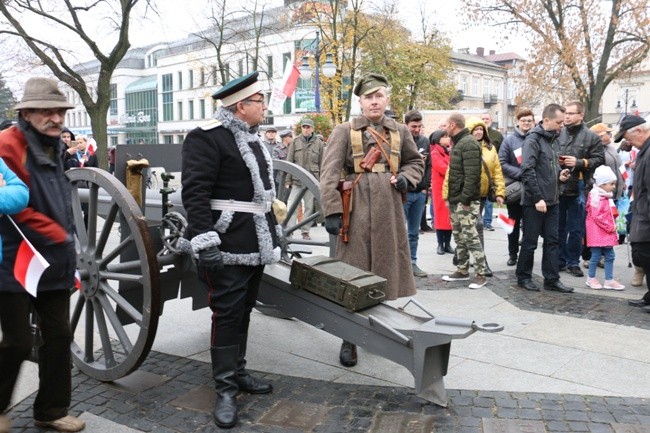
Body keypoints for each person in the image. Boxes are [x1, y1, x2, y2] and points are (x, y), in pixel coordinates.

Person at [181, 71, 280, 429]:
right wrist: (204, 238)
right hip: (226, 240)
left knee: (244, 310)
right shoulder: (206, 138)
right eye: (259, 101)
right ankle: (224, 389)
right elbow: (194, 192)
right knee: (226, 314)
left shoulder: (253, 139)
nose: (264, 106)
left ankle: (237, 372)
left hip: (256, 239)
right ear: (241, 106)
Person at [319, 73, 423, 368]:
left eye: (379, 96)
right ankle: (348, 339)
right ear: (361, 102)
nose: (374, 101)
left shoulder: (400, 131)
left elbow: (415, 162)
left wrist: (406, 178)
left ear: (387, 99)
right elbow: (329, 172)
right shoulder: (344, 130)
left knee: (384, 272)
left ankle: (375, 330)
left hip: (389, 208)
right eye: (368, 97)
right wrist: (332, 211)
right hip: (356, 210)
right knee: (353, 274)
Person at [0, 77, 85, 432]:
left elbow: (59, 200)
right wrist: (58, 234)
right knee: (18, 339)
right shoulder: (8, 144)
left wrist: (66, 247)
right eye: (48, 112)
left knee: (59, 335)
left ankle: (50, 410)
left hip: (53, 260)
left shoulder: (52, 145)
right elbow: (15, 205)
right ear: (28, 113)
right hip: (12, 259)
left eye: (60, 112)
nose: (56, 118)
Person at [516, 103, 573, 293]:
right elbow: (527, 171)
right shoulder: (533, 140)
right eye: (558, 122)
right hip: (535, 202)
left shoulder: (554, 140)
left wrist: (560, 177)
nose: (561, 126)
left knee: (553, 241)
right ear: (546, 120)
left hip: (553, 199)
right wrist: (538, 198)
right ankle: (523, 277)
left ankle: (551, 278)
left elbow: (548, 169)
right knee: (530, 242)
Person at [441, 113, 489, 289]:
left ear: (453, 125)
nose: (444, 129)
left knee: (470, 236)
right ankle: (462, 270)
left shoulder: (468, 143)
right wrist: (451, 198)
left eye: (446, 125)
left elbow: (472, 176)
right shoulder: (460, 142)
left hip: (466, 200)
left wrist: (466, 200)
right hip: (457, 198)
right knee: (459, 236)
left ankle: (480, 274)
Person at [557, 101, 604, 278]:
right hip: (559, 185)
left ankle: (572, 262)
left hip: (579, 186)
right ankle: (559, 260)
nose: (567, 116)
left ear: (581, 115)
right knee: (558, 227)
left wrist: (579, 162)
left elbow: (599, 159)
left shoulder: (591, 137)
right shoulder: (558, 133)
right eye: (565, 113)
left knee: (576, 228)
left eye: (570, 113)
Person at [614, 115, 650, 311]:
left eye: (626, 136)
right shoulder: (644, 150)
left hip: (647, 217)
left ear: (638, 130)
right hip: (642, 212)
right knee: (643, 255)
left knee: (644, 255)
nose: (626, 141)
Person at [466, 117, 505, 277]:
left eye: (481, 129)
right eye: (475, 129)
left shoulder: (490, 148)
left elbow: (497, 171)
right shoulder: (464, 147)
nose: (479, 132)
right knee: (478, 225)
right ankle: (481, 262)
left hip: (482, 194)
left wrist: (500, 192)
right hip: (467, 195)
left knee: (472, 227)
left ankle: (466, 256)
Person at [499, 109, 535, 267]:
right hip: (515, 189)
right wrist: (521, 173)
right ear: (518, 122)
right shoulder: (509, 141)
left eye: (529, 120)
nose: (526, 123)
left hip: (533, 189)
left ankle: (526, 256)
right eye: (524, 120)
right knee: (512, 223)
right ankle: (512, 253)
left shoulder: (537, 139)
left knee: (529, 226)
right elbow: (502, 162)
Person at [584, 166, 625, 290]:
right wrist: (610, 226)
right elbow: (597, 216)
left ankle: (609, 279)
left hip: (605, 231)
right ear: (602, 183)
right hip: (598, 230)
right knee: (596, 255)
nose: (613, 186)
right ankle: (591, 278)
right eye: (611, 184)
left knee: (610, 255)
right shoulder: (597, 196)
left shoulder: (605, 196)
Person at [285, 118, 325, 240]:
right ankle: (289, 230)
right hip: (296, 179)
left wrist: (321, 181)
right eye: (304, 127)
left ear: (312, 129)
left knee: (309, 207)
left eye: (308, 127)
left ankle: (305, 231)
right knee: (292, 205)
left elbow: (322, 163)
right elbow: (289, 162)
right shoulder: (295, 142)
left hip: (312, 179)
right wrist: (287, 180)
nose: (306, 129)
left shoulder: (319, 143)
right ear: (301, 128)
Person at [403, 110, 431, 277]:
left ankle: (413, 262)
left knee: (414, 232)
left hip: (419, 193)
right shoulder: (400, 142)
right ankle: (400, 264)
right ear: (406, 125)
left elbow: (428, 166)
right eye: (414, 126)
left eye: (419, 126)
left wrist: (424, 187)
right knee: (399, 232)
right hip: (404, 193)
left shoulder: (424, 141)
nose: (417, 129)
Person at [429, 129, 453, 255]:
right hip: (440, 190)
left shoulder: (447, 152)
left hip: (448, 188)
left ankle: (447, 244)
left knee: (449, 218)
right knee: (440, 218)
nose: (448, 139)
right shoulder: (435, 153)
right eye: (445, 137)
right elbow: (443, 169)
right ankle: (440, 244)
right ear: (439, 139)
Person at [481, 113, 504, 231]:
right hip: (479, 173)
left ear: (491, 120)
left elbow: (502, 151)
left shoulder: (497, 135)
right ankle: (479, 222)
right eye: (483, 119)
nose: (485, 121)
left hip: (491, 171)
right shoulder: (474, 135)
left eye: (487, 119)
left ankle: (487, 222)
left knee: (490, 200)